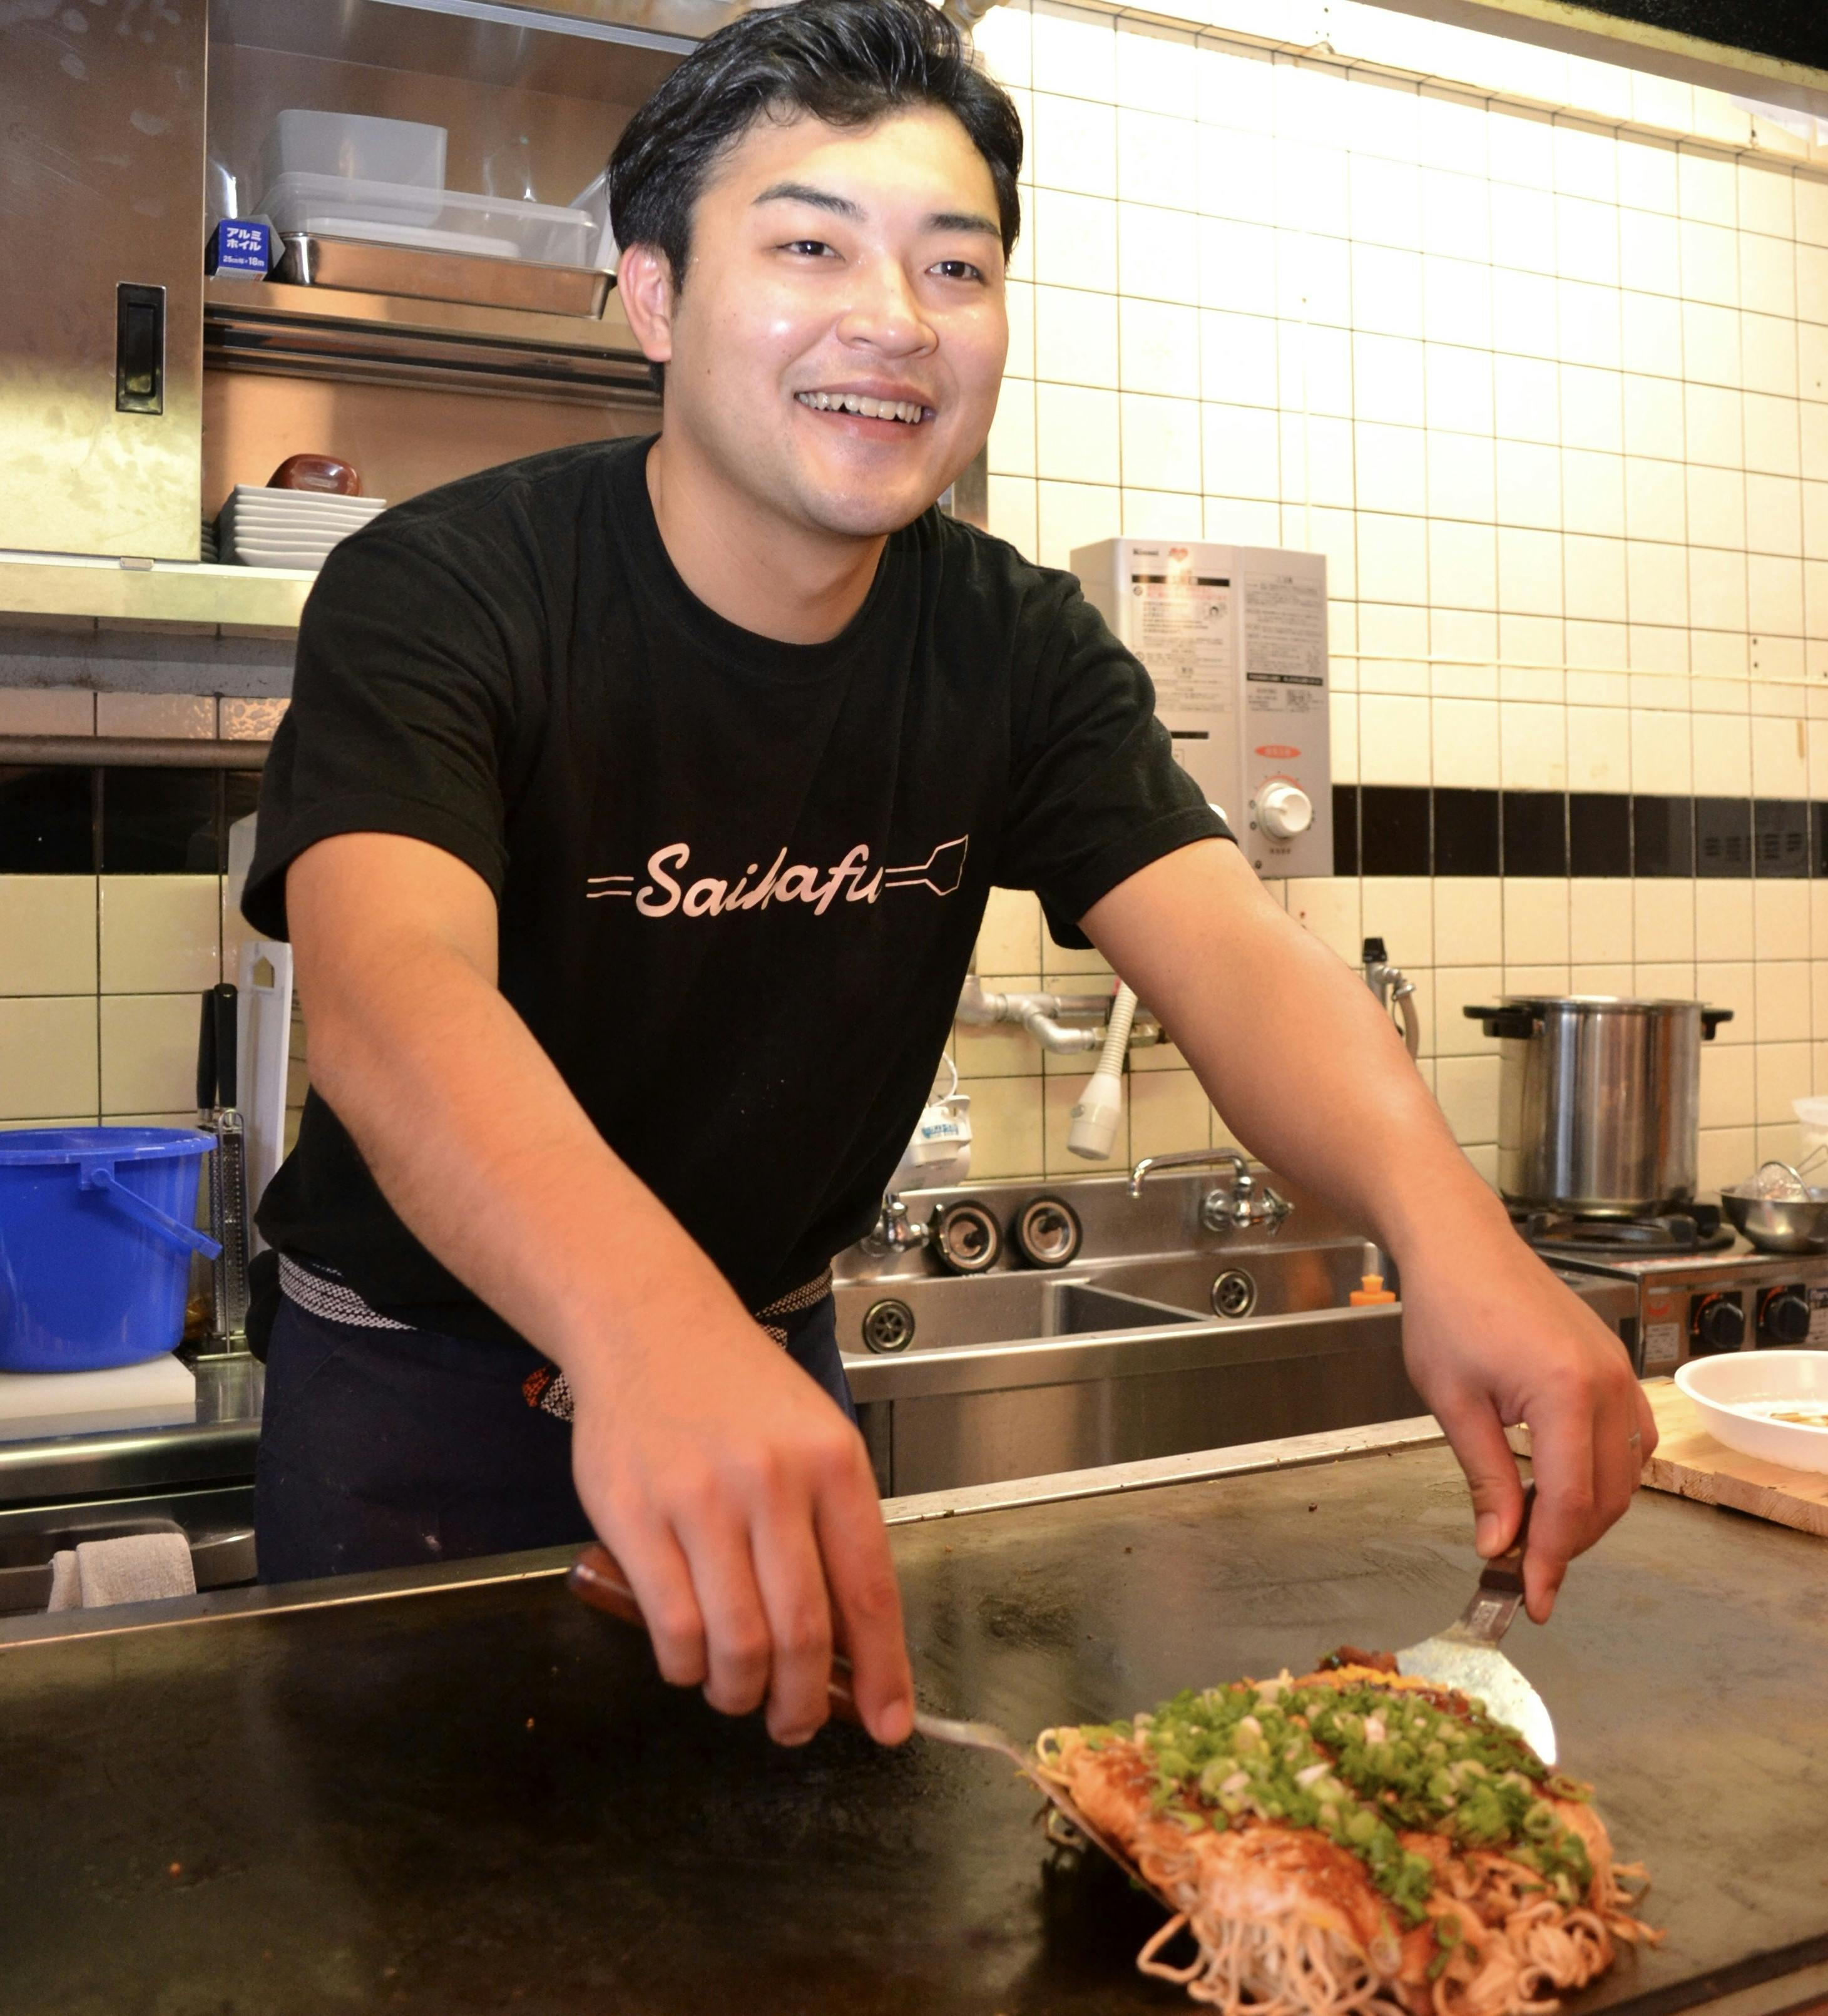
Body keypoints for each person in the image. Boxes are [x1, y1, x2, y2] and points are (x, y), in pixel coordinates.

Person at [241, 0, 1655, 1755]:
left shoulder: (1012, 646)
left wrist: (1453, 1236)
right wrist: (645, 1327)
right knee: (405, 1876)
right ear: (654, 295)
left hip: (762, 1371)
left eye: (955, 267)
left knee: (793, 1874)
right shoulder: (447, 586)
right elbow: (391, 994)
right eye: (810, 247)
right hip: (420, 1400)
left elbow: (1227, 947)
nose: (896, 321)